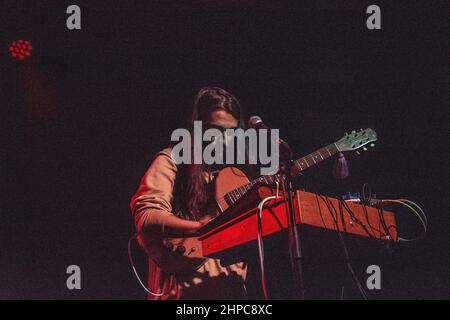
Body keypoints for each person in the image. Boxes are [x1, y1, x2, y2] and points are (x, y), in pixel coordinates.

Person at [130, 87, 253, 299]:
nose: (222, 141)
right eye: (215, 131)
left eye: (230, 133)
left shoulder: (233, 176)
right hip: (183, 294)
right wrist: (203, 229)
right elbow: (147, 217)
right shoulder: (172, 161)